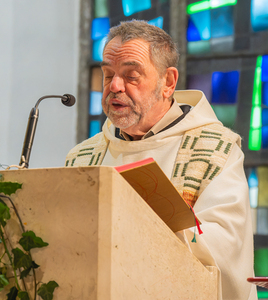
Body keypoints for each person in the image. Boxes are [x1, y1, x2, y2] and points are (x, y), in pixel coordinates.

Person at [66, 20, 257, 299]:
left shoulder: (216, 149)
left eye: (131, 76)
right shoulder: (83, 157)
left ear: (168, 82)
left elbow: (227, 247)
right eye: (108, 75)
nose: (115, 86)